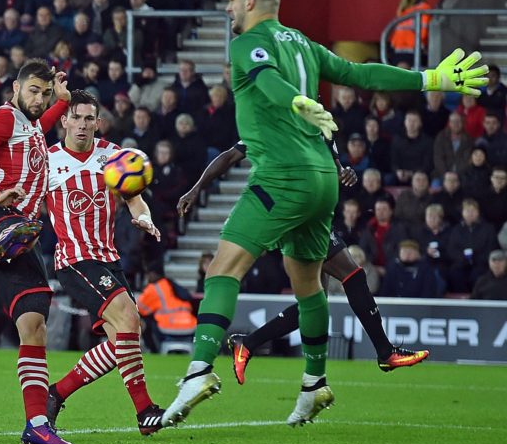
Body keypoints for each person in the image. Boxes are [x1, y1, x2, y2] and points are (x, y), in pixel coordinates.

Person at [162, 0, 485, 429]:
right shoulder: (307, 45)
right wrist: (429, 79)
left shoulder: (247, 43)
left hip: (283, 176)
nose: (228, 7)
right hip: (322, 179)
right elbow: (361, 73)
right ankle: (314, 385)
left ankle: (198, 370)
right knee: (308, 284)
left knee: (222, 268)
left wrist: (294, 100)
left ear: (251, 2)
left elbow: (269, 79)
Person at [177, 141, 429, 379]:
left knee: (315, 302)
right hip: (292, 213)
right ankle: (385, 352)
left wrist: (345, 173)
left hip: (311, 210)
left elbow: (335, 167)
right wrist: (197, 187)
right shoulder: (277, 123)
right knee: (352, 275)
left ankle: (248, 343)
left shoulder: (322, 127)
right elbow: (230, 155)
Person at [0, 58, 74, 444]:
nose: (38, 99)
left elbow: (45, 118)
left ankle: (37, 423)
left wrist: (62, 100)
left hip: (20, 226)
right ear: (16, 90)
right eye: (32, 91)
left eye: (44, 92)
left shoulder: (33, 124)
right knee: (16, 234)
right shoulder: (4, 118)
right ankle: (3, 238)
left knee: (34, 317)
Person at [43, 90, 167, 436]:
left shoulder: (113, 155)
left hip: (108, 260)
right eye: (76, 118)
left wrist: (144, 218)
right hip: (74, 260)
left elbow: (135, 199)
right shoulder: (49, 160)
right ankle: (145, 412)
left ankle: (55, 395)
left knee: (122, 341)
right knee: (128, 317)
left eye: (89, 119)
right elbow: (25, 200)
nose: (82, 125)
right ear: (64, 121)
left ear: (98, 123)